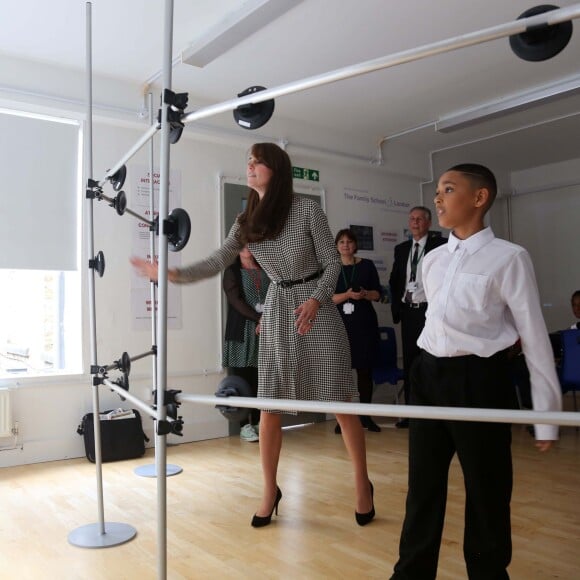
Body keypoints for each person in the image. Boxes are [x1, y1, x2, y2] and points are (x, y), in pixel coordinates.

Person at [131, 143, 374, 528]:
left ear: (276, 169)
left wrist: (315, 300)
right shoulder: (246, 222)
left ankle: (363, 484)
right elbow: (217, 259)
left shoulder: (308, 209)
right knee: (269, 408)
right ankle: (269, 490)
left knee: (343, 401)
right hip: (279, 309)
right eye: (248, 162)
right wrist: (173, 274)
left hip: (318, 308)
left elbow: (332, 265)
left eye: (257, 161)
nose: (250, 167)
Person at [390, 164, 562, 580]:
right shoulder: (431, 260)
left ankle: (487, 574)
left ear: (480, 198)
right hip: (428, 377)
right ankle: (411, 574)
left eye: (448, 189)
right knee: (423, 488)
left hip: (480, 381)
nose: (438, 198)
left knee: (487, 490)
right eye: (437, 190)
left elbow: (534, 335)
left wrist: (547, 416)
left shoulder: (509, 258)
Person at [388, 206, 446, 428]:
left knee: (432, 361)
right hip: (409, 312)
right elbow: (395, 281)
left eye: (420, 219)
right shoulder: (402, 249)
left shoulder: (440, 246)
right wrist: (397, 308)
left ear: (429, 223)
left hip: (430, 312)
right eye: (412, 219)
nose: (415, 223)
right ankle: (412, 415)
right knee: (411, 364)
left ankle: (435, 414)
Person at [332, 228, 382, 433]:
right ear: (336, 246)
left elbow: (378, 294)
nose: (346, 245)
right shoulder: (331, 268)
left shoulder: (367, 266)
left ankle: (365, 417)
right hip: (339, 325)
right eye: (342, 242)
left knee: (364, 371)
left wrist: (365, 294)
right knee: (343, 374)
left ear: (355, 245)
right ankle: (342, 419)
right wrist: (347, 296)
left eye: (350, 241)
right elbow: (327, 299)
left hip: (364, 324)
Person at [222, 246, 270, 442]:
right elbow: (236, 301)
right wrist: (259, 318)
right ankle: (244, 425)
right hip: (242, 332)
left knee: (261, 380)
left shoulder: (266, 268)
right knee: (241, 381)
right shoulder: (232, 272)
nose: (247, 248)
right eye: (242, 244)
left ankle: (260, 422)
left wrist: (266, 320)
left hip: (265, 331)